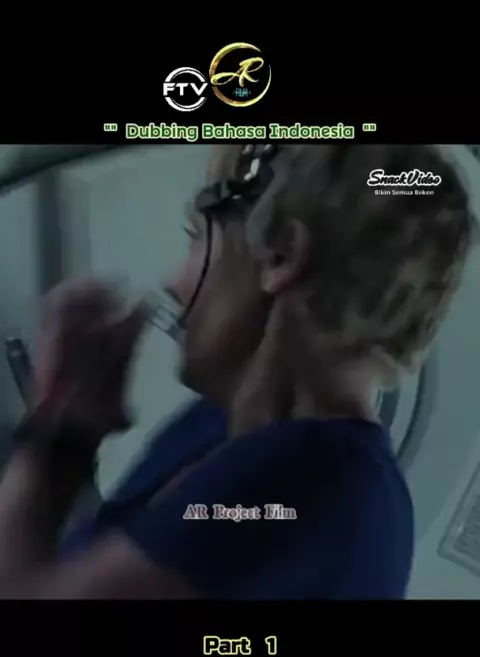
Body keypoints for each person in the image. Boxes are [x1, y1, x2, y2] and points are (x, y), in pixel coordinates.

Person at [0, 143, 473, 599]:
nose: (174, 281)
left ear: (281, 256)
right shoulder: (216, 425)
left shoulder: (313, 479)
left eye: (197, 237)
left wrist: (59, 431)